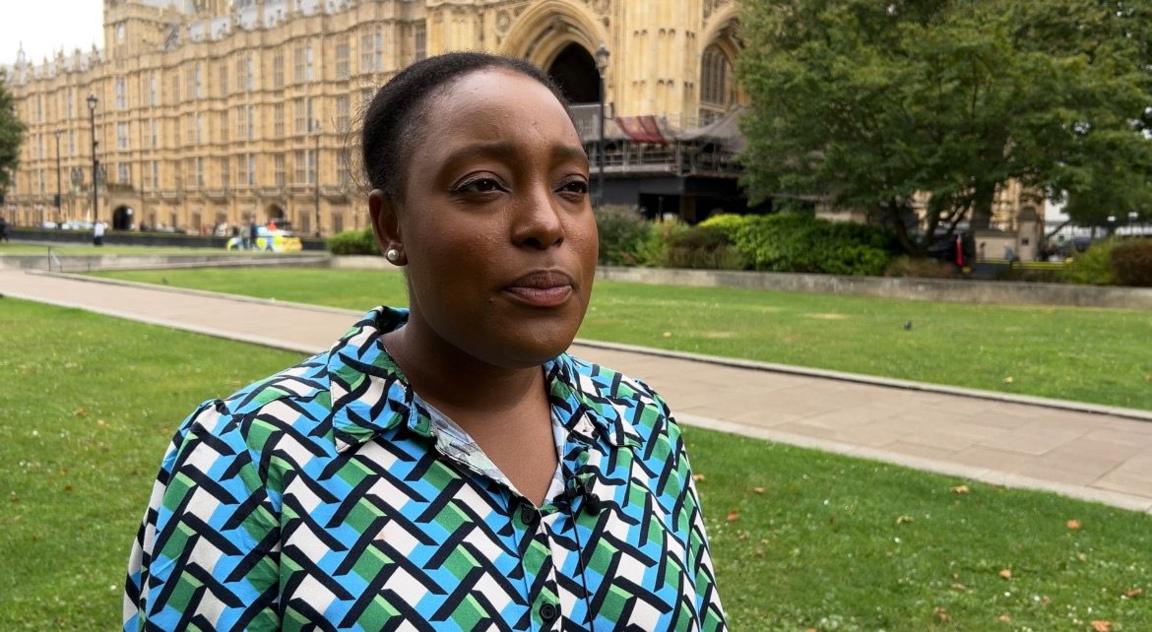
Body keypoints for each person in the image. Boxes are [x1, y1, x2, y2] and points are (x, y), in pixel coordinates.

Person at [123, 52, 726, 631]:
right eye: (484, 184)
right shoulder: (245, 462)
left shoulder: (640, 426)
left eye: (572, 186)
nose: (547, 222)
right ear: (391, 224)